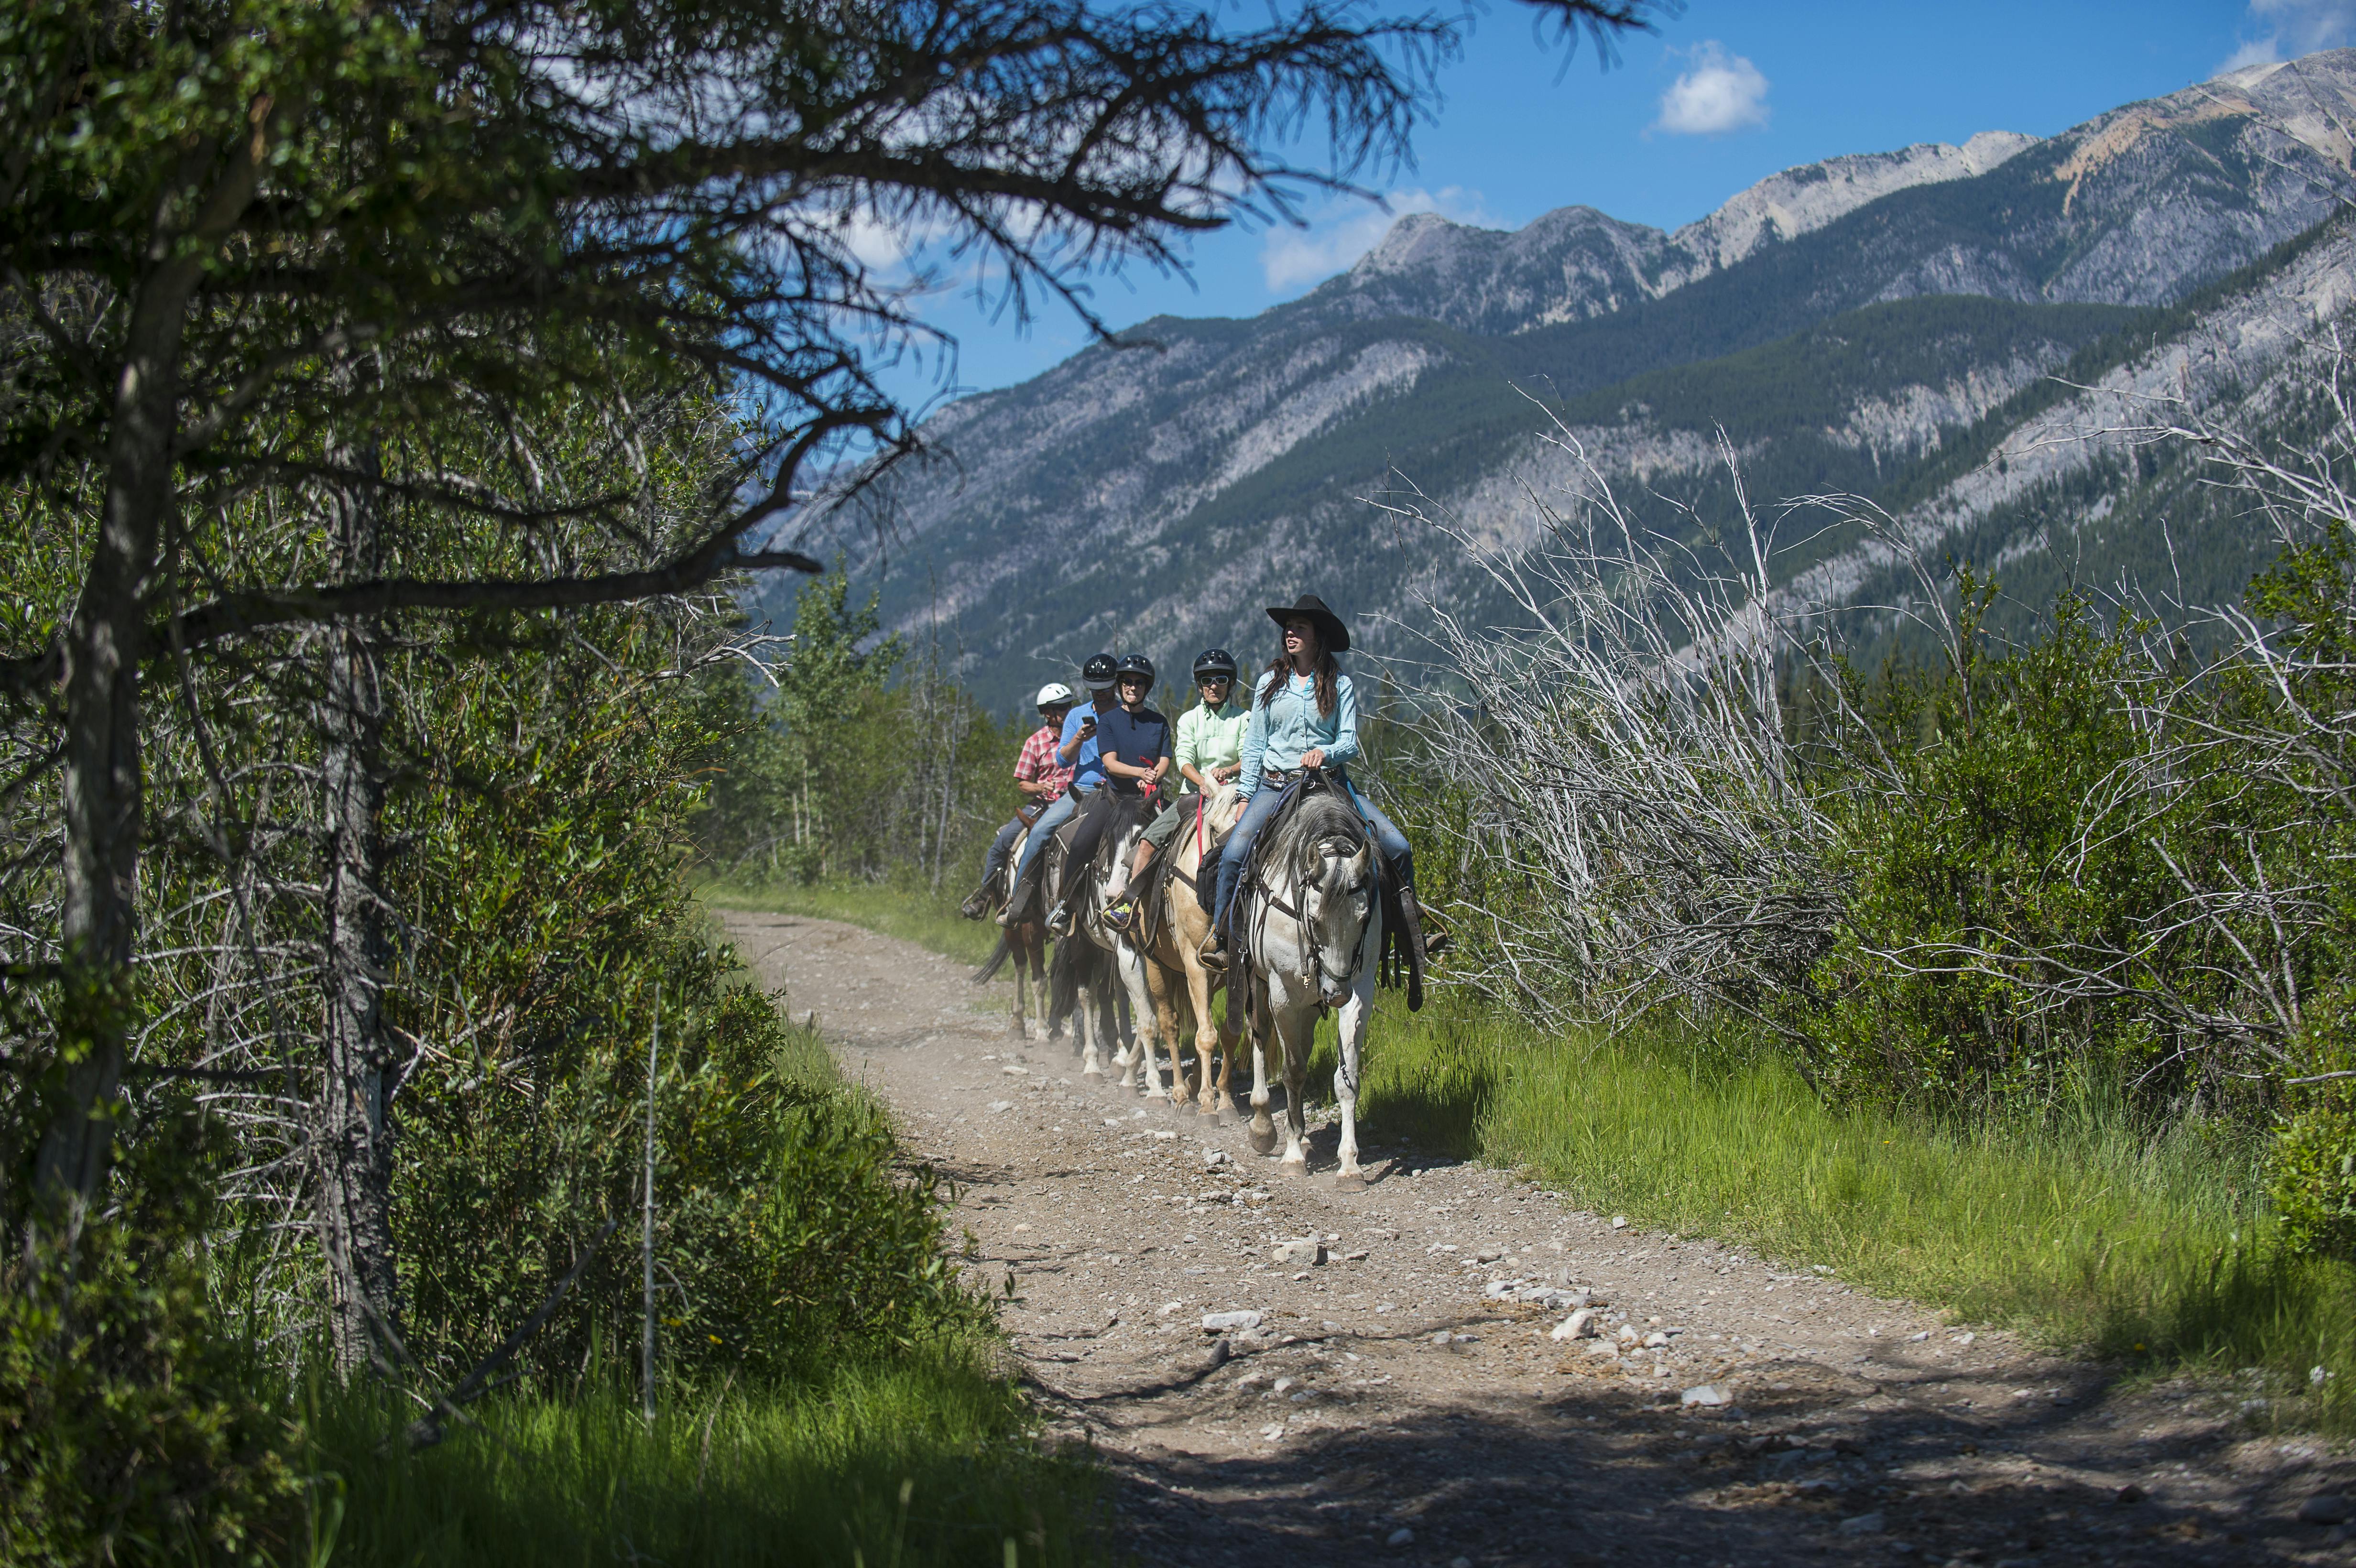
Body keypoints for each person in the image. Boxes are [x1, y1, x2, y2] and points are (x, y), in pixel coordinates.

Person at [1203, 594, 1427, 977]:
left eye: (1299, 627)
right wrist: (1244, 796)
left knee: (1398, 847)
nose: (1290, 633)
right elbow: (1255, 745)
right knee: (1234, 852)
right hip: (1276, 786)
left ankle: (1409, 933)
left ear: (1317, 636)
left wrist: (1326, 752)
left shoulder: (1341, 684)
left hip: (1329, 784)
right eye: (1288, 627)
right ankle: (1222, 937)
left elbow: (1349, 741)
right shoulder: (1269, 684)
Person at [1103, 648, 1246, 931]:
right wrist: (1202, 781)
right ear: (1200, 686)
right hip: (1194, 797)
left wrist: (1229, 771)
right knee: (1148, 841)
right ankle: (1129, 906)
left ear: (1230, 684)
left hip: (1234, 796)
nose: (1214, 686)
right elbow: (1183, 759)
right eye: (1207, 681)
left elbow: (1248, 757)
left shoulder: (1245, 718)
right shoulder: (1189, 719)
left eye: (1220, 679)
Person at [1046, 653, 1169, 936]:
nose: (1133, 687)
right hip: (1114, 798)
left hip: (1149, 798)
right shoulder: (1109, 721)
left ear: (1146, 687)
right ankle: (1067, 906)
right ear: (1120, 685)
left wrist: (1154, 776)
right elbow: (1110, 763)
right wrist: (1140, 773)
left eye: (1139, 683)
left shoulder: (1159, 722)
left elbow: (1165, 759)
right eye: (1128, 682)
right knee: (1080, 843)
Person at [1001, 652, 1118, 926]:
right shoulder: (1077, 716)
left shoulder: (1124, 713)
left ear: (1115, 685)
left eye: (1105, 688)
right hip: (1082, 790)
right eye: (1095, 689)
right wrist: (1078, 738)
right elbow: (1063, 760)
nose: (1100, 693)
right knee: (1040, 831)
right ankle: (1020, 898)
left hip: (1119, 790)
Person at [959, 682, 1076, 920]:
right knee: (1003, 841)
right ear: (1048, 713)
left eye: (1068, 706)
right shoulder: (1035, 742)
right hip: (1043, 805)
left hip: (1076, 802)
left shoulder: (1080, 737)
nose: (1067, 711)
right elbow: (1023, 783)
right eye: (1062, 708)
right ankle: (984, 896)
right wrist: (1041, 787)